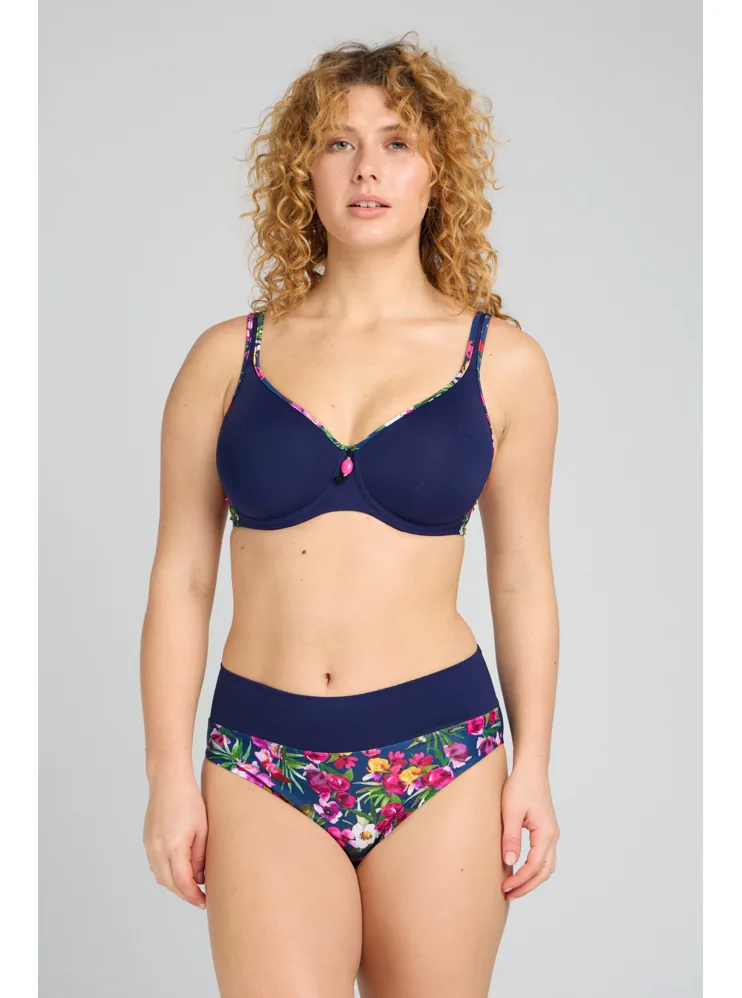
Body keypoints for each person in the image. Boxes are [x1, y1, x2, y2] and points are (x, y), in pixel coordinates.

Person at [141, 35, 560, 998]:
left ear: (436, 173)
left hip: (443, 755)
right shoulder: (226, 358)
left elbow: (522, 578)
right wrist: (167, 775)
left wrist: (533, 765)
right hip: (262, 760)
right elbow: (182, 578)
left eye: (397, 142)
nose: (367, 167)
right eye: (338, 143)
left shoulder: (503, 364)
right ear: (305, 172)